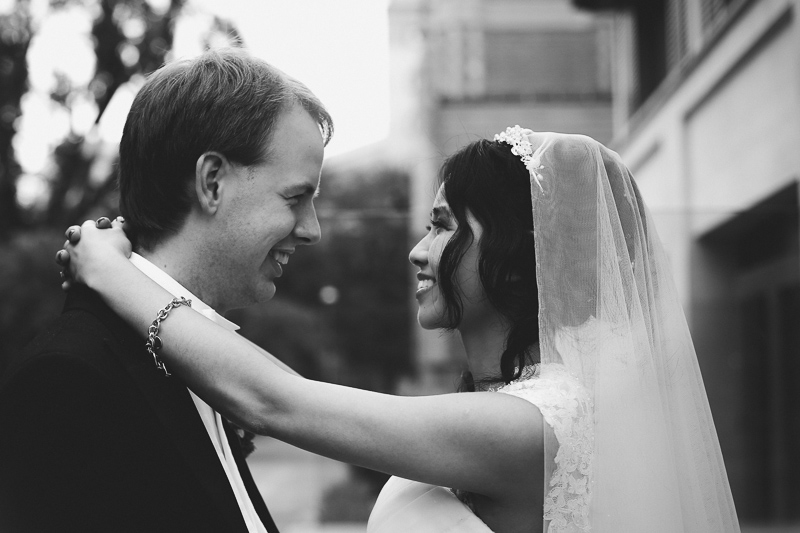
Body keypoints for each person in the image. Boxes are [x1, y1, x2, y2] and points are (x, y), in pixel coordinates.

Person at [59, 128, 741, 532]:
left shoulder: (542, 424)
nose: (417, 250)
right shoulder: (517, 407)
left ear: (512, 249)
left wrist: (115, 275)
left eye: (442, 225)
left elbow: (276, 401)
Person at [0, 48, 333, 532]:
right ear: (212, 182)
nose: (312, 230)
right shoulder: (70, 378)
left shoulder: (198, 364)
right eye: (296, 197)